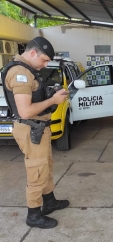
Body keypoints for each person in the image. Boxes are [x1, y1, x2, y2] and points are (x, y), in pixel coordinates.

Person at [1, 37, 69, 229]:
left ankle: (50, 201)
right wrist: (53, 101)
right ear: (32, 53)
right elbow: (25, 111)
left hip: (38, 128)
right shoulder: (19, 72)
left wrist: (51, 94)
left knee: (45, 165)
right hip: (31, 128)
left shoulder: (29, 69)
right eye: (44, 60)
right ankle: (34, 214)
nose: (45, 64)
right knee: (37, 170)